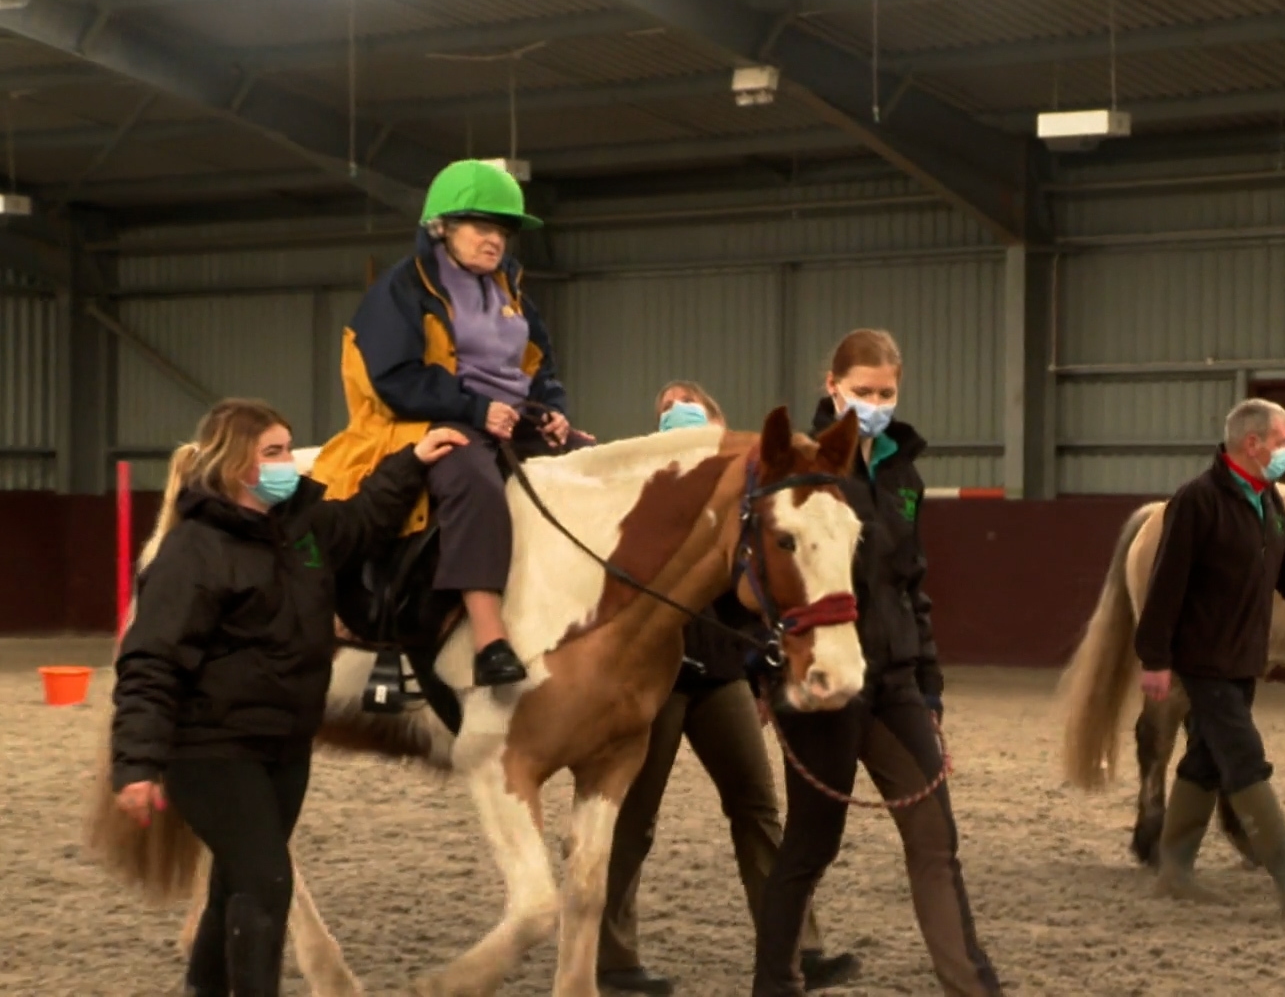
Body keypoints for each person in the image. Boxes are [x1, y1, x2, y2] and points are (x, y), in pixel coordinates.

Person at [110, 399, 467, 996]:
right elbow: (151, 662)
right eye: (273, 453)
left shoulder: (303, 530)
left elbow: (366, 518)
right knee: (267, 883)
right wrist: (136, 764)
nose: (288, 464)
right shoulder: (193, 552)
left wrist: (412, 460)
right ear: (236, 465)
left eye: (286, 449)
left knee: (236, 882)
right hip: (210, 749)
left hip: (282, 744)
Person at [753, 329, 1000, 997]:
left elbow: (910, 584)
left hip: (892, 682)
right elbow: (757, 582)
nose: (874, 403)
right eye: (861, 392)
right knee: (811, 846)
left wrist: (929, 682)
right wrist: (764, 676)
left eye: (885, 392)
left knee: (934, 838)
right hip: (821, 685)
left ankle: (973, 986)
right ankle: (774, 983)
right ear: (831, 388)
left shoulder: (901, 472)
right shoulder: (796, 467)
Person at [596, 384, 859, 996]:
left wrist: (760, 675)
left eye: (691, 409)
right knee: (633, 820)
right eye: (667, 408)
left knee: (758, 809)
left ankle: (797, 945)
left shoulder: (742, 505)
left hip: (719, 676)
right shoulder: (644, 504)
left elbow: (759, 594)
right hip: (654, 683)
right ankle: (612, 956)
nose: (678, 418)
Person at [310, 159, 581, 688]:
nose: (494, 240)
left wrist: (552, 409)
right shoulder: (399, 292)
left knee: (585, 470)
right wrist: (476, 410)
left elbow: (538, 366)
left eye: (501, 230)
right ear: (442, 228)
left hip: (509, 420)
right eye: (482, 227)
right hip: (422, 422)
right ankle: (489, 639)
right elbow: (393, 378)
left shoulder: (514, 290)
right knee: (473, 482)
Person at [1134, 398, 1285, 916]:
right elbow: (1165, 584)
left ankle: (1174, 870)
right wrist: (1154, 659)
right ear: (1252, 443)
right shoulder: (1197, 502)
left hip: (1244, 656)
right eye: (1282, 441)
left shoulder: (1265, 503)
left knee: (1205, 759)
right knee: (1243, 756)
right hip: (1203, 657)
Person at [654, 379, 724, 431]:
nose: (677, 407)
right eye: (667, 407)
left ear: (712, 416)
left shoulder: (732, 449)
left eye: (687, 401)